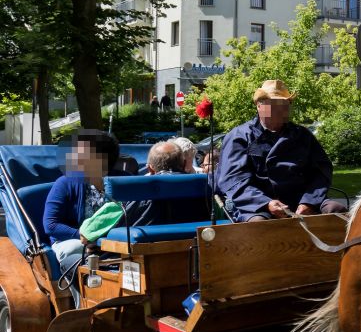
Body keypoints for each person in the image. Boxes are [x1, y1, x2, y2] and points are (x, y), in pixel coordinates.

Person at [216, 79, 345, 221]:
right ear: (259, 105)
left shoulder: (302, 135)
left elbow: (321, 171)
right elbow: (234, 180)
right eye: (274, 104)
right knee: (258, 224)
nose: (281, 109)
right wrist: (266, 203)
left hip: (302, 202)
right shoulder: (239, 136)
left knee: (336, 211)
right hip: (258, 205)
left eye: (285, 104)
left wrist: (309, 201)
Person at [42, 130, 119, 294]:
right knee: (81, 263)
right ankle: (84, 308)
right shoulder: (65, 183)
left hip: (113, 243)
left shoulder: (121, 181)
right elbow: (50, 225)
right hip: (74, 243)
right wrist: (83, 236)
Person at [121, 141, 211, 226]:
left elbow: (119, 225)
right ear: (184, 164)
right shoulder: (206, 189)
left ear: (150, 169)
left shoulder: (140, 195)